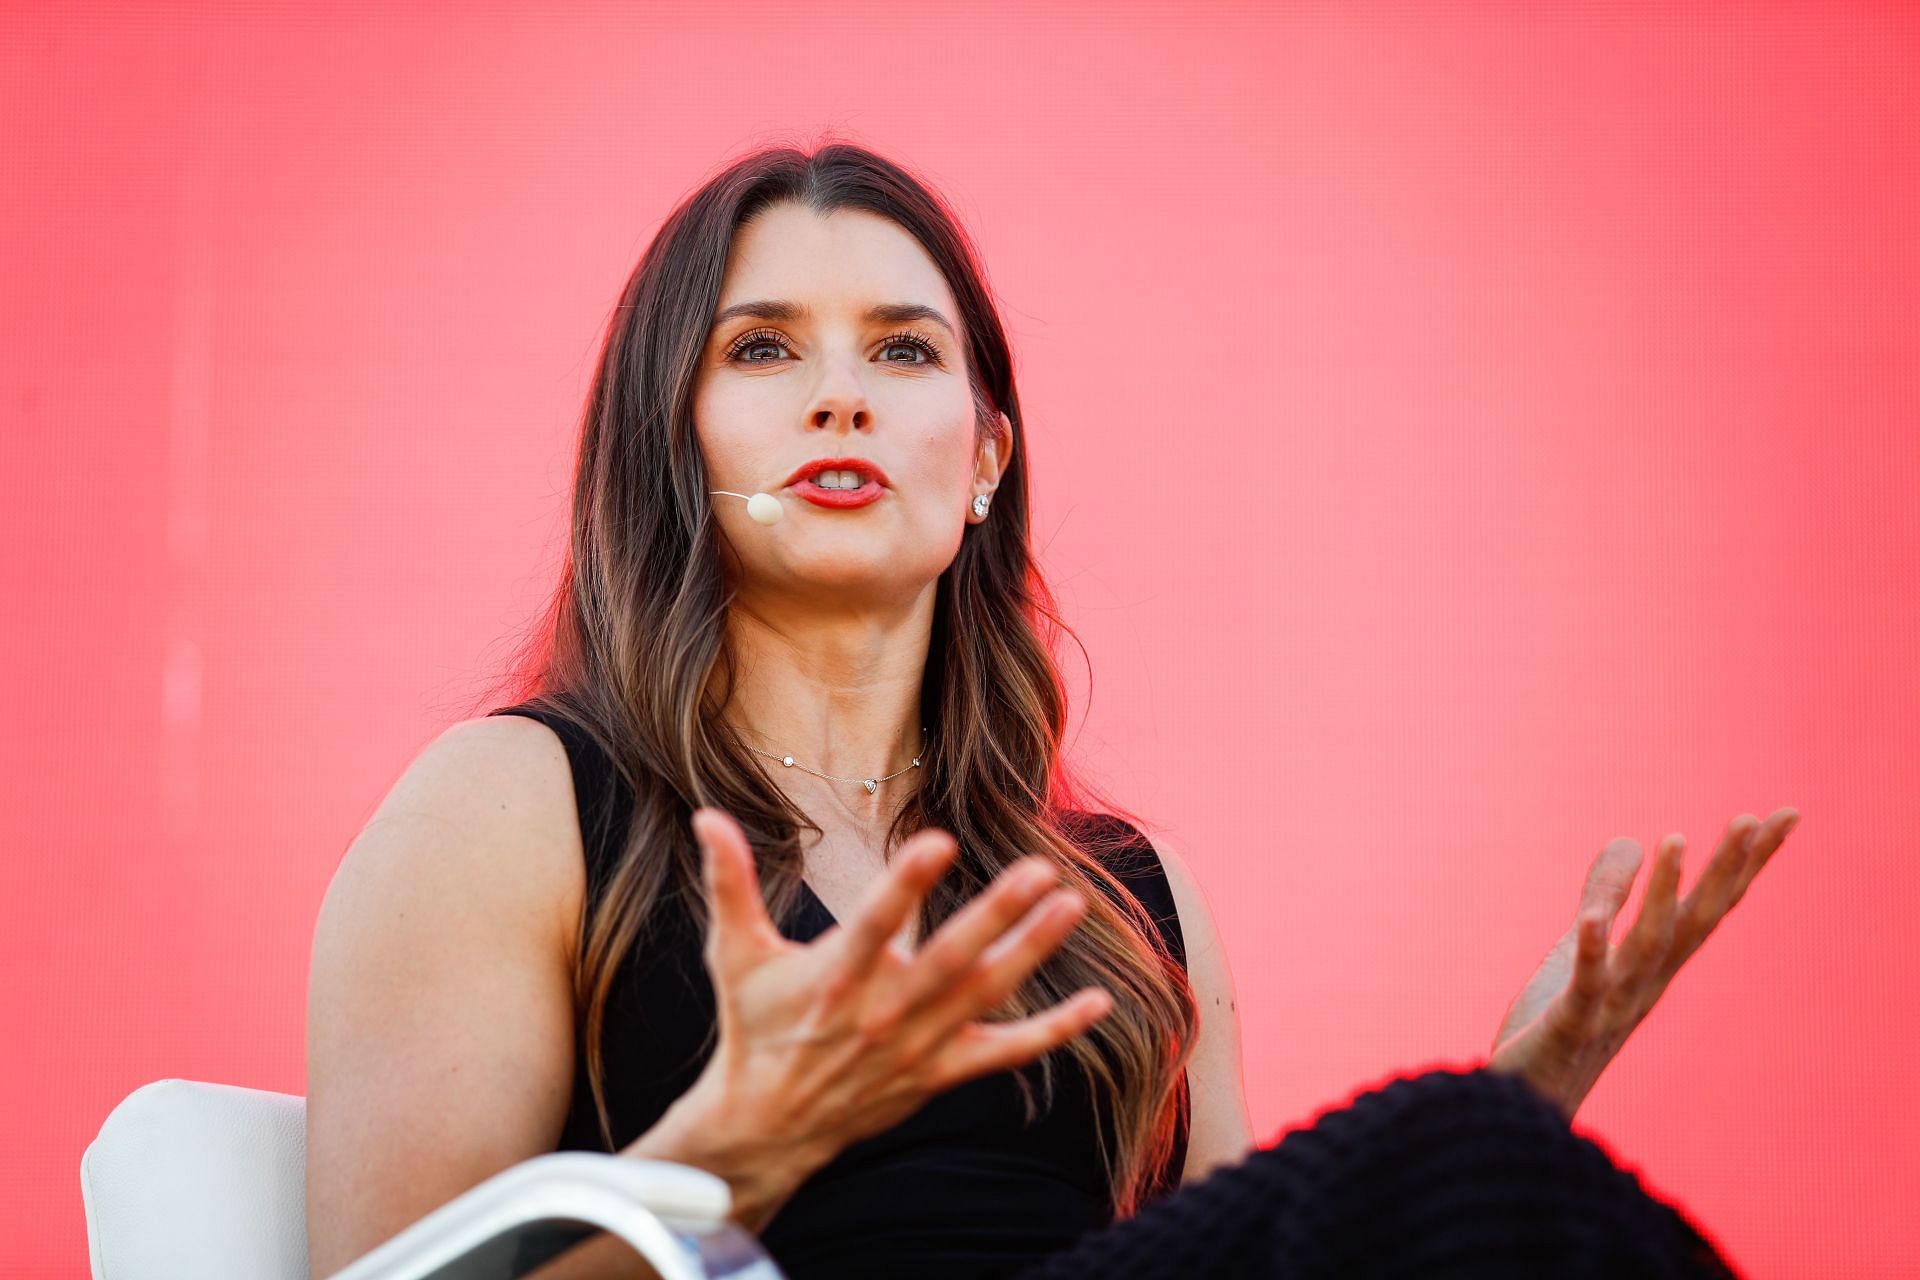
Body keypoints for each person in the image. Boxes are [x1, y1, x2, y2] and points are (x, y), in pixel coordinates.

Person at [306, 142, 1798, 1279]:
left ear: (985, 459)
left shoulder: (1128, 898)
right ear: (671, 444)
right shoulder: (514, 806)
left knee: (1472, 1160)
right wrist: (737, 1149)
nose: (843, 397)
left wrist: (1502, 1144)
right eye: (762, 348)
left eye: (904, 350)